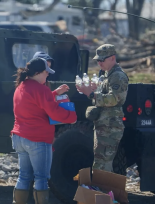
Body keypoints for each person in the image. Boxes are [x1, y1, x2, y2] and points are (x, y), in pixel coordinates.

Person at [11, 57, 77, 204]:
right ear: (39, 72)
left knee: (24, 176)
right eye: (46, 73)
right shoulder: (42, 89)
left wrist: (53, 93)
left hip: (19, 137)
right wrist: (71, 117)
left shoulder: (21, 86)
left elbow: (35, 101)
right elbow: (53, 112)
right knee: (41, 177)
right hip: (37, 139)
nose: (48, 75)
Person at [76, 44, 129, 172]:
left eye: (102, 60)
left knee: (103, 164)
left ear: (112, 58)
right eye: (98, 60)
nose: (99, 63)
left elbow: (115, 98)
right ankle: (103, 190)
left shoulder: (117, 76)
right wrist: (95, 90)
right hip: (104, 125)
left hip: (110, 126)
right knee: (100, 161)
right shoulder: (107, 75)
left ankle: (103, 191)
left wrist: (91, 93)